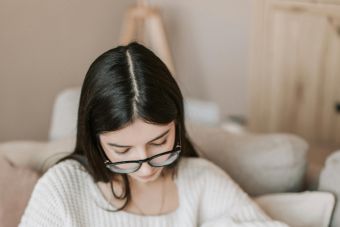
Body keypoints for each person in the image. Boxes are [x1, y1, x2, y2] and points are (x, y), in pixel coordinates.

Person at [19, 42, 289, 227]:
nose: (146, 167)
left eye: (159, 142)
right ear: (95, 139)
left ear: (177, 123)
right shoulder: (62, 188)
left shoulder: (201, 181)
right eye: (122, 151)